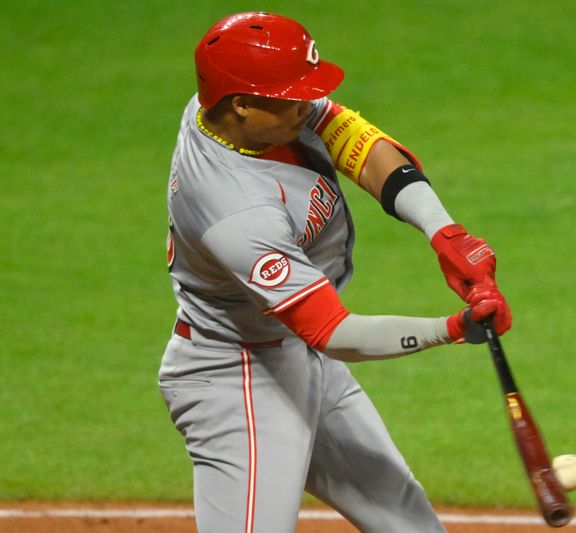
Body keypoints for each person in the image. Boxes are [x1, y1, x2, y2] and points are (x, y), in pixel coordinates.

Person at [159, 11, 512, 533]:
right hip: (239, 380)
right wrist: (454, 328)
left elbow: (360, 144)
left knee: (408, 523)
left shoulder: (240, 108)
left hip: (292, 352)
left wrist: (444, 233)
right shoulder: (234, 211)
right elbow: (334, 332)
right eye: (292, 98)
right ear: (242, 106)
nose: (308, 106)